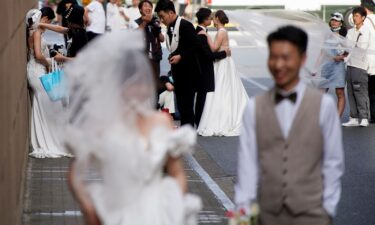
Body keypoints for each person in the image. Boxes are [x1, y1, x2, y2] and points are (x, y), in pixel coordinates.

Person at [60, 31, 201, 225]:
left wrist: (175, 203)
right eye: (133, 85)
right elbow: (75, 174)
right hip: (120, 213)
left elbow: (176, 171)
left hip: (160, 212)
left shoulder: (162, 121)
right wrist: (90, 209)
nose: (141, 90)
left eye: (144, 83)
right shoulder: (104, 126)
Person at [234, 26, 344, 225]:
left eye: (286, 57)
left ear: (302, 59)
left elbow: (333, 162)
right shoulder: (254, 107)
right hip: (268, 215)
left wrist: (327, 209)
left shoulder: (324, 106)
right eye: (273, 57)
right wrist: (243, 213)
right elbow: (247, 166)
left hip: (313, 214)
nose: (278, 65)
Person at [26, 8, 71, 158]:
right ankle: (47, 140)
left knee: (43, 105)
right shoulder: (37, 32)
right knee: (47, 105)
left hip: (36, 71)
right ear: (44, 18)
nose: (49, 24)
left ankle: (46, 138)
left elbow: (62, 30)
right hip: (37, 71)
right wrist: (50, 62)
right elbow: (38, 55)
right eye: (49, 21)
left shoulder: (33, 31)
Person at [197, 10, 248, 136]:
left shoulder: (221, 32)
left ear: (218, 18)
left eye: (214, 18)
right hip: (224, 61)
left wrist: (207, 36)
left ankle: (220, 118)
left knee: (221, 88)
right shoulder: (223, 31)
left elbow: (214, 48)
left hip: (222, 63)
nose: (212, 20)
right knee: (225, 89)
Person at [155, 0, 201, 126]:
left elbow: (196, 45)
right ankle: (185, 132)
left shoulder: (185, 25)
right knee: (181, 105)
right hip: (178, 73)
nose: (162, 20)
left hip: (189, 73)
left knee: (187, 107)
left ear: (170, 13)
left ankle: (189, 134)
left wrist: (181, 56)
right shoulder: (170, 26)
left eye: (162, 16)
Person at [194, 7, 229, 126]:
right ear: (205, 20)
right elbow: (210, 53)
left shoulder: (206, 32)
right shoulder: (201, 33)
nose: (212, 19)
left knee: (208, 94)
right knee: (204, 95)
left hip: (212, 66)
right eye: (210, 18)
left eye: (213, 18)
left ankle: (203, 120)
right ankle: (200, 121)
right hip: (204, 69)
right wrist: (224, 53)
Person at [342, 7, 371, 127]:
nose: (354, 18)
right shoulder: (350, 31)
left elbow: (362, 48)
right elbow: (347, 47)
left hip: (360, 65)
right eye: (353, 16)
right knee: (350, 91)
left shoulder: (366, 30)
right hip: (349, 64)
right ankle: (353, 117)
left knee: (360, 91)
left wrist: (352, 47)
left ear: (363, 18)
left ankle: (363, 117)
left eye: (357, 16)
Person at [316, 12, 347, 117]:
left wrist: (342, 57)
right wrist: (316, 67)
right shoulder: (326, 34)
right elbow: (322, 51)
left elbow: (349, 50)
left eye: (337, 21)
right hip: (327, 65)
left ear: (341, 23)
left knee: (340, 93)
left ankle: (337, 119)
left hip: (339, 67)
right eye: (333, 20)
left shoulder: (344, 35)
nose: (334, 22)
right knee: (321, 93)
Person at [132, 0, 165, 77]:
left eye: (150, 6)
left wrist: (157, 28)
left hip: (155, 57)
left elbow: (162, 39)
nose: (148, 8)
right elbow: (134, 35)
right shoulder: (135, 22)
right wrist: (145, 22)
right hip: (141, 59)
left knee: (155, 81)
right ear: (140, 9)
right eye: (146, 6)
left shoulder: (155, 21)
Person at [361, 0, 375, 123]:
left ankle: (373, 115)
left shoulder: (365, 22)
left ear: (364, 9)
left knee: (371, 91)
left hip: (371, 62)